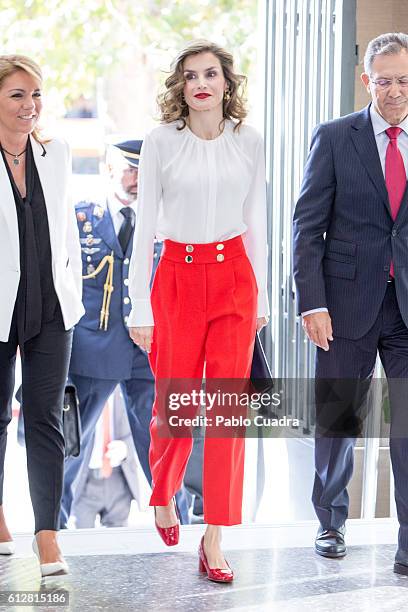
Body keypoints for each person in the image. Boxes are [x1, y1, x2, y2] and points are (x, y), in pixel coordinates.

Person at [128, 39, 269, 582]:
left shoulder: (249, 141)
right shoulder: (161, 141)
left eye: (211, 73)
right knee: (176, 399)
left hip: (234, 276)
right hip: (177, 277)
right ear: (180, 86)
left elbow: (257, 216)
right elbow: (144, 230)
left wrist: (258, 294)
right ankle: (163, 492)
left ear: (227, 83)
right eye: (190, 76)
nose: (201, 83)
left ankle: (215, 537)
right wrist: (140, 305)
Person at [293, 32, 408, 575]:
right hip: (345, 304)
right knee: (339, 419)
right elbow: (307, 225)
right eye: (384, 80)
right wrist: (312, 303)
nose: (394, 90)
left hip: (406, 307)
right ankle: (331, 523)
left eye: (403, 80)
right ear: (367, 81)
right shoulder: (336, 136)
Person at [62, 140, 189, 527]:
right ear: (107, 169)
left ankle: (175, 528)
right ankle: (53, 528)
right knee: (69, 446)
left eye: (144, 171)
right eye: (129, 169)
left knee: (162, 443)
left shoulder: (169, 223)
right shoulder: (79, 217)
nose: (137, 180)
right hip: (92, 347)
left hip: (149, 350)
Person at [0, 55, 84, 577]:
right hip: (0, 304)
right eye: (17, 95)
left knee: (45, 417)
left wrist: (71, 286)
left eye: (36, 95)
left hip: (52, 304)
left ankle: (47, 535)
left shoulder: (58, 153)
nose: (30, 105)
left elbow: (66, 230)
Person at [70, 397, 142, 528]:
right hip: (85, 481)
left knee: (118, 542)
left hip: (118, 480)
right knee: (81, 540)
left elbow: (143, 429)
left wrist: (126, 448)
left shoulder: (127, 391)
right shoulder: (83, 391)